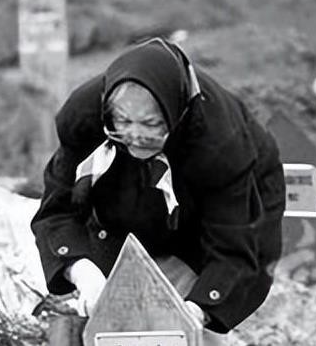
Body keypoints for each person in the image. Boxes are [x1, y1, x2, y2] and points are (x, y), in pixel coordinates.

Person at [31, 37, 285, 343]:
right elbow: (56, 211)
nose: (136, 135)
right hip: (124, 189)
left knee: (187, 323)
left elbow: (233, 246)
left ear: (173, 113)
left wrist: (195, 311)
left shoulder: (220, 144)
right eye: (123, 121)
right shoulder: (84, 118)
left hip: (213, 202)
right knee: (105, 304)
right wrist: (83, 273)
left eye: (150, 124)